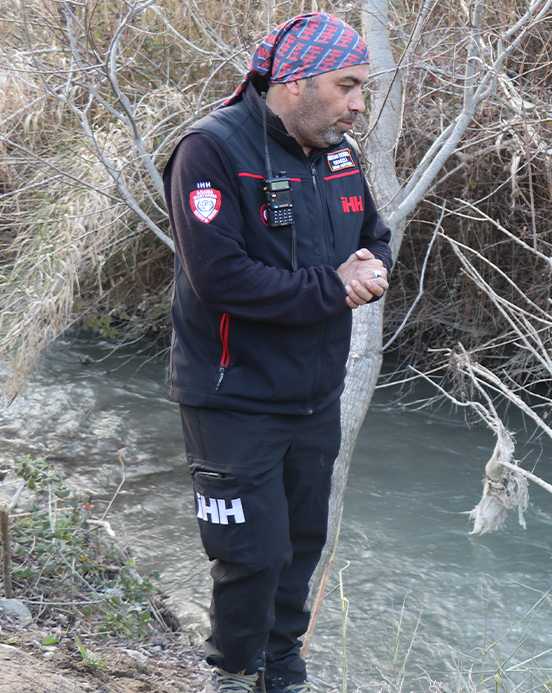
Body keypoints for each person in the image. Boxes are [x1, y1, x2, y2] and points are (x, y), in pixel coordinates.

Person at [162, 13, 392, 693]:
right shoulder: (211, 150)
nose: (358, 104)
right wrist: (336, 285)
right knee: (250, 555)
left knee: (299, 550)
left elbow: (373, 236)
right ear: (294, 83)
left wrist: (372, 269)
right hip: (231, 395)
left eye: (363, 90)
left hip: (314, 392)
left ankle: (284, 673)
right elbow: (221, 278)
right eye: (347, 86)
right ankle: (232, 674)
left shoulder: (339, 153)